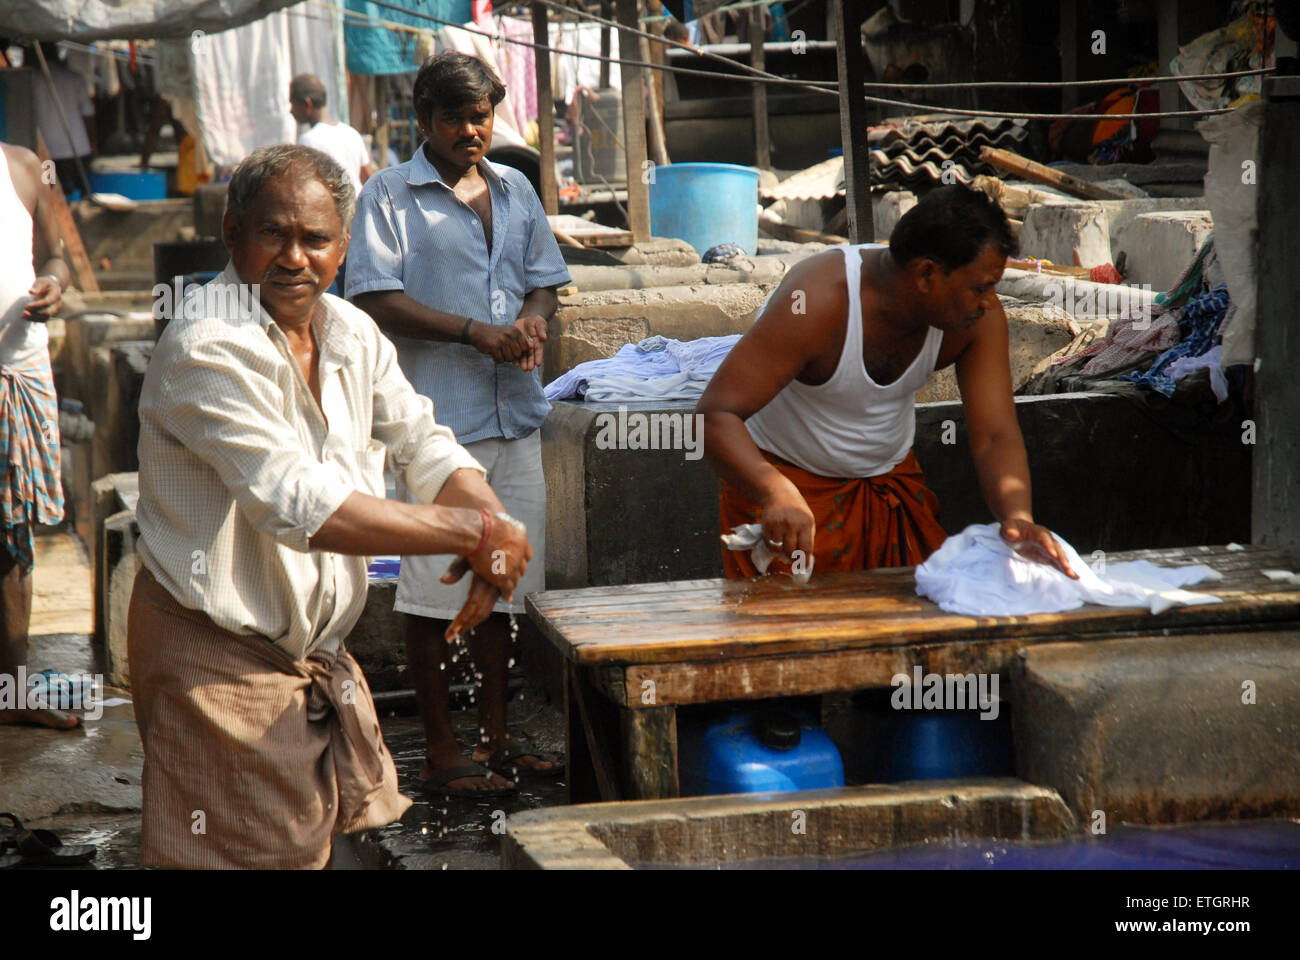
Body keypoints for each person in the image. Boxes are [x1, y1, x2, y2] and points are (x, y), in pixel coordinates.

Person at [128, 144, 533, 869]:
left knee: (316, 848)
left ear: (342, 249)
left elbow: (426, 444)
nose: (293, 258)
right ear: (232, 236)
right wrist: (473, 532)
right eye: (272, 235)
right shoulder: (205, 344)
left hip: (312, 653)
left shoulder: (348, 330)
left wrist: (488, 520)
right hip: (216, 655)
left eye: (315, 240)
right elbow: (297, 503)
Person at [348, 52, 569, 799]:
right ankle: (444, 752)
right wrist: (476, 332)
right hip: (438, 427)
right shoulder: (387, 196)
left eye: (481, 118)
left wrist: (532, 325)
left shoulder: (514, 189)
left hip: (516, 417)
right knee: (431, 593)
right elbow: (374, 298)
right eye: (455, 120)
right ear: (425, 121)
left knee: (503, 582)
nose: (471, 132)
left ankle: (498, 741)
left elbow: (545, 284)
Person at [697, 185, 1077, 581]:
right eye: (980, 287)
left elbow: (996, 434)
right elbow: (714, 415)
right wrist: (773, 490)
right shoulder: (817, 302)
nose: (988, 301)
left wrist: (1018, 518)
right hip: (792, 501)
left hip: (889, 493)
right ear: (926, 274)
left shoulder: (976, 319)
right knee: (789, 637)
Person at [0, 140, 74, 729]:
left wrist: (53, 284)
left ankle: (14, 690)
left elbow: (57, 257)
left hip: (16, 374)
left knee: (11, 534)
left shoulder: (23, 166)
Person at [290, 73, 376, 195]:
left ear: (307, 104)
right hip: (358, 207)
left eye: (293, 104)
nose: (291, 110)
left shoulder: (308, 140)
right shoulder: (351, 133)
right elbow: (368, 179)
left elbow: (306, 187)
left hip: (335, 211)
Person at [31, 44, 96, 197]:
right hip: (78, 149)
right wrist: (94, 143)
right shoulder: (74, 78)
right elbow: (89, 114)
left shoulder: (32, 80)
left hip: (48, 153)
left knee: (50, 196)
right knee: (85, 195)